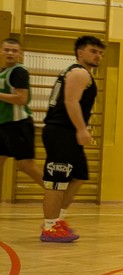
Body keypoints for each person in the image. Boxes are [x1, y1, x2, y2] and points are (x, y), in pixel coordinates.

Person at [39, 35, 105, 243]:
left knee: (79, 175)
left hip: (66, 133)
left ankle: (58, 219)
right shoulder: (79, 72)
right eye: (93, 51)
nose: (98, 56)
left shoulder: (79, 72)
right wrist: (81, 129)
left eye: (100, 53)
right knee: (57, 181)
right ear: (80, 52)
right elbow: (70, 101)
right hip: (62, 132)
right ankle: (50, 227)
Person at [0, 38, 44, 190]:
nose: (10, 53)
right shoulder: (3, 72)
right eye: (7, 50)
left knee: (26, 165)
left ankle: (57, 196)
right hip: (4, 124)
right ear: (1, 51)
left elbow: (22, 98)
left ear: (20, 54)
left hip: (18, 124)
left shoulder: (19, 71)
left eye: (14, 50)